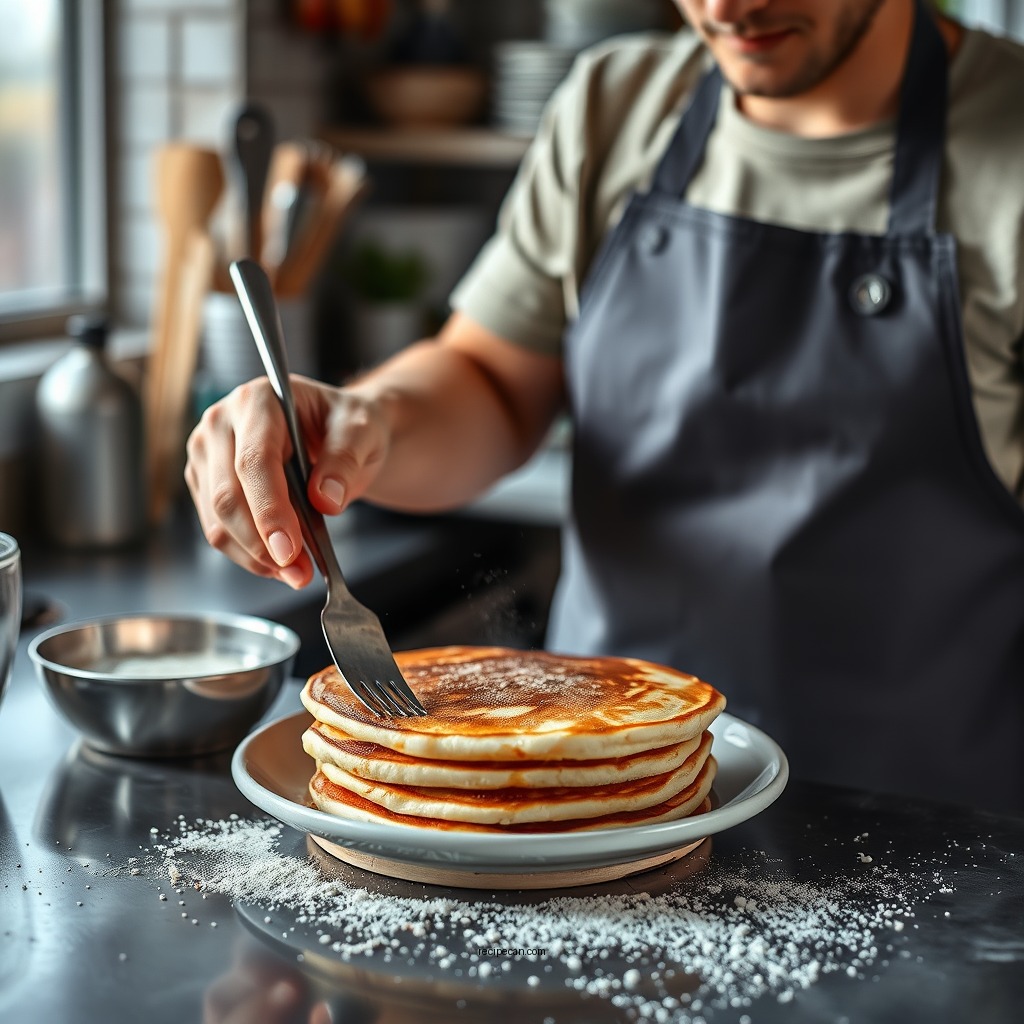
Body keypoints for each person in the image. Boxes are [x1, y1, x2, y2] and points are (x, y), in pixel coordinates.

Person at [186, 0, 1024, 811]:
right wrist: (362, 424)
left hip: (933, 830)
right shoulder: (613, 108)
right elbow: (488, 379)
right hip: (592, 801)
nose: (727, 6)